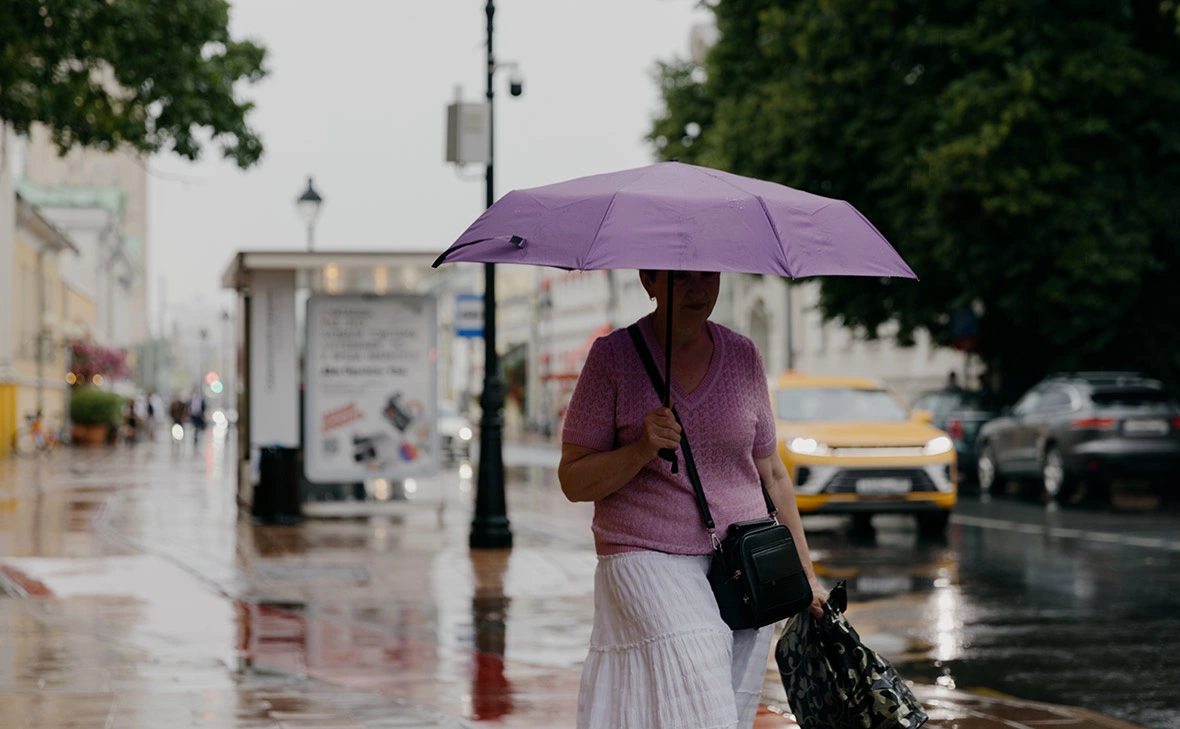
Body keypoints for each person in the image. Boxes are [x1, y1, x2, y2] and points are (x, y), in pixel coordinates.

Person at [558, 270, 828, 729]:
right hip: (645, 554)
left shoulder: (743, 356)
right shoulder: (614, 358)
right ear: (648, 280)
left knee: (732, 707)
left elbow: (774, 473)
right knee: (704, 689)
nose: (698, 290)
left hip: (746, 563)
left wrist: (807, 575)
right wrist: (641, 449)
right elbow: (573, 480)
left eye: (708, 276)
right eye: (681, 278)